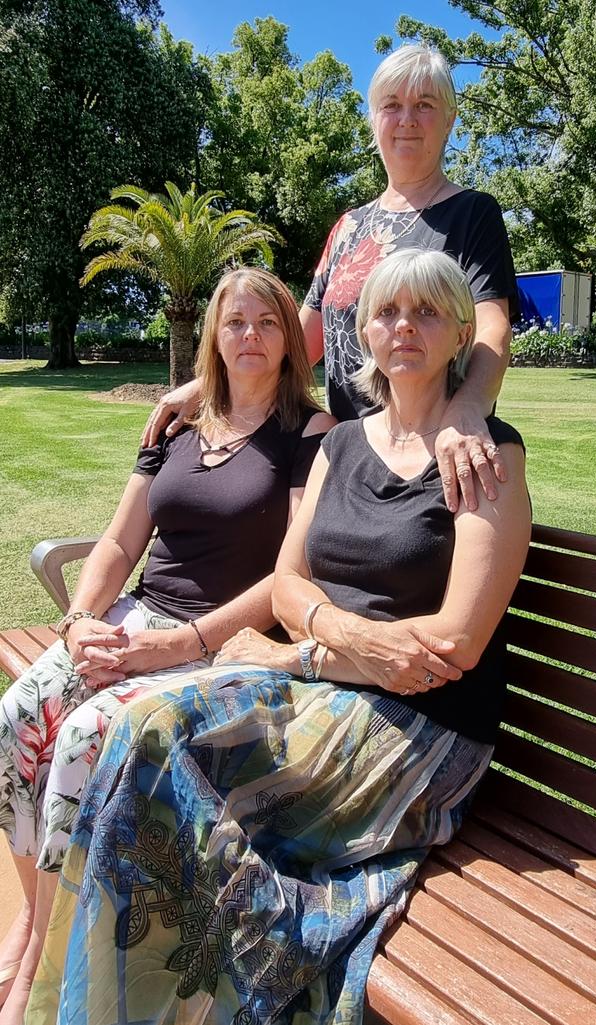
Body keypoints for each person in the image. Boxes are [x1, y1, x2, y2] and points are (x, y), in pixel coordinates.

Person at [27, 249, 531, 1025]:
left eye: (427, 312)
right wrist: (325, 639)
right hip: (325, 681)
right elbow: (291, 584)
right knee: (139, 733)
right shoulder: (342, 446)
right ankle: (95, 1002)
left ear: (462, 331)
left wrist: (298, 648)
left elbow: (451, 646)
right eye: (388, 311)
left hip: (423, 729)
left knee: (166, 775)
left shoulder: (485, 453)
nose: (405, 327)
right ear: (360, 329)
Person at [0, 267, 333, 1022]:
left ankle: (43, 970)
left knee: (86, 735)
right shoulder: (177, 426)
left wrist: (178, 642)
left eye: (268, 322)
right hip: (137, 619)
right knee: (18, 716)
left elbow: (289, 578)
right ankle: (34, 916)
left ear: (290, 339)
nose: (250, 335)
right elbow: (120, 540)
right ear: (213, 333)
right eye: (236, 321)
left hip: (226, 648)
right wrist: (81, 619)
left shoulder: (309, 436)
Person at [143, 43, 519, 515]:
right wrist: (203, 385)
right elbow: (301, 339)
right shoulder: (349, 227)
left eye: (424, 105)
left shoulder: (472, 213)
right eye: (392, 106)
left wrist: (468, 409)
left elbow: (491, 329)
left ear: (449, 119)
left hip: (429, 457)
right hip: (347, 452)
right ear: (374, 120)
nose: (407, 119)